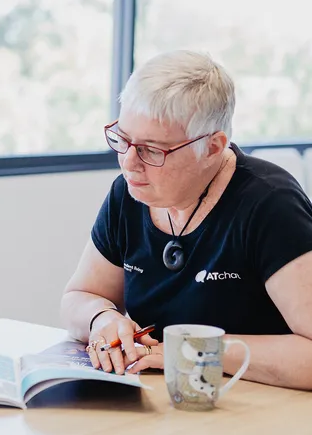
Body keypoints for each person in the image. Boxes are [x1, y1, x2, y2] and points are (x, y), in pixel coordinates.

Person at [60, 50, 312, 390]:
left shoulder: (269, 205)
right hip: (165, 399)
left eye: (152, 149)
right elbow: (79, 294)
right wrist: (101, 318)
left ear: (212, 147)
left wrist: (195, 351)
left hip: (254, 405)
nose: (129, 163)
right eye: (122, 139)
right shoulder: (129, 194)